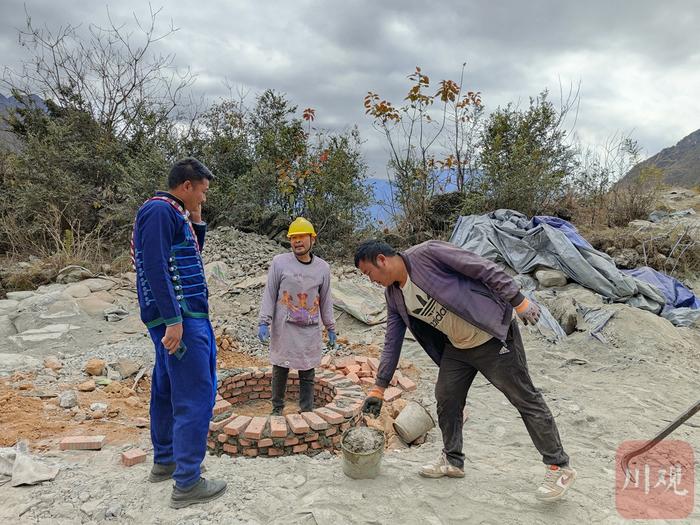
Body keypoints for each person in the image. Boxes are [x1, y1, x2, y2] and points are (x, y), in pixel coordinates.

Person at [354, 239, 576, 502]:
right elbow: (393, 340)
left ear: (381, 260)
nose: (371, 280)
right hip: (458, 348)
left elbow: (482, 268)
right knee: (447, 398)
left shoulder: (428, 254)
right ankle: (453, 460)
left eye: (369, 273)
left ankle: (558, 467)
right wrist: (379, 386)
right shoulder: (393, 296)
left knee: (524, 398)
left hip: (491, 337)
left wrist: (518, 300)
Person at [132, 157, 227, 509]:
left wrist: (198, 222)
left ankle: (166, 460)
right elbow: (154, 265)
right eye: (201, 192)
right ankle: (187, 482)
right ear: (186, 186)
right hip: (182, 320)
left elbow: (186, 257)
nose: (203, 198)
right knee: (196, 394)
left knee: (167, 387)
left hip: (180, 318)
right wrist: (174, 319)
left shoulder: (175, 213)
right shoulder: (160, 211)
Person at [257, 217, 336, 416]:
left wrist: (331, 326)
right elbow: (270, 292)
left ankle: (306, 410)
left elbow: (326, 299)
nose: (297, 241)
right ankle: (277, 409)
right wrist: (264, 321)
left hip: (309, 328)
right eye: (293, 237)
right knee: (280, 367)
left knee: (307, 368)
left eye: (302, 237)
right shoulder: (280, 263)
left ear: (312, 239)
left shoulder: (322, 268)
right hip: (284, 326)